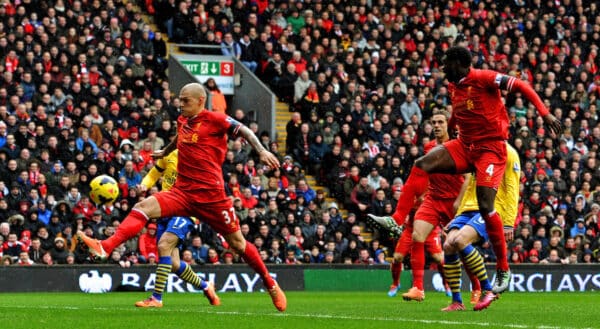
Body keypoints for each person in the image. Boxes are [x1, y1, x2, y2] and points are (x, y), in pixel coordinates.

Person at [78, 83, 286, 312]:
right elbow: (179, 138)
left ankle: (269, 282)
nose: (181, 104)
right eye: (180, 99)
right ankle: (105, 247)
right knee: (143, 206)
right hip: (183, 193)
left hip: (212, 198)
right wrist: (165, 152)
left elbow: (244, 130)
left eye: (186, 100)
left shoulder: (215, 119)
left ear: (200, 101)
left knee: (237, 244)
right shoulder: (183, 121)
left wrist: (262, 150)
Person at [414, 46, 561, 293]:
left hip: (490, 148)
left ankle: (502, 269)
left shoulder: (484, 78)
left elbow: (522, 86)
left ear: (459, 63)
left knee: (484, 206)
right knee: (423, 163)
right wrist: (450, 131)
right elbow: (458, 114)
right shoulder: (455, 87)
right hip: (465, 146)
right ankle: (396, 218)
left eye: (446, 63)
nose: (442, 68)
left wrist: (544, 114)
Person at [370, 109, 468, 301]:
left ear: (449, 125)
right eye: (434, 122)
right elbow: (426, 174)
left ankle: (478, 286)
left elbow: (468, 177)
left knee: (459, 245)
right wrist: (423, 193)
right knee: (413, 239)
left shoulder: (459, 146)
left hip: (453, 202)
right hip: (432, 203)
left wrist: (459, 201)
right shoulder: (429, 148)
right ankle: (415, 288)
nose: (437, 126)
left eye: (441, 122)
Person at [442, 143, 520, 312]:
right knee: (448, 245)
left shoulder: (509, 153)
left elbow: (513, 189)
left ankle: (488, 289)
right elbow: (471, 185)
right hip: (467, 208)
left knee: (461, 240)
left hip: (490, 208)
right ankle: (457, 301)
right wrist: (457, 217)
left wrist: (508, 222)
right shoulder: (478, 150)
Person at [136, 149, 219, 307]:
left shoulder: (200, 157)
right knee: (173, 263)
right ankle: (206, 286)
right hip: (165, 209)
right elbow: (154, 173)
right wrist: (144, 185)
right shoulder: (169, 154)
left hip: (185, 210)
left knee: (164, 245)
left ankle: (156, 298)